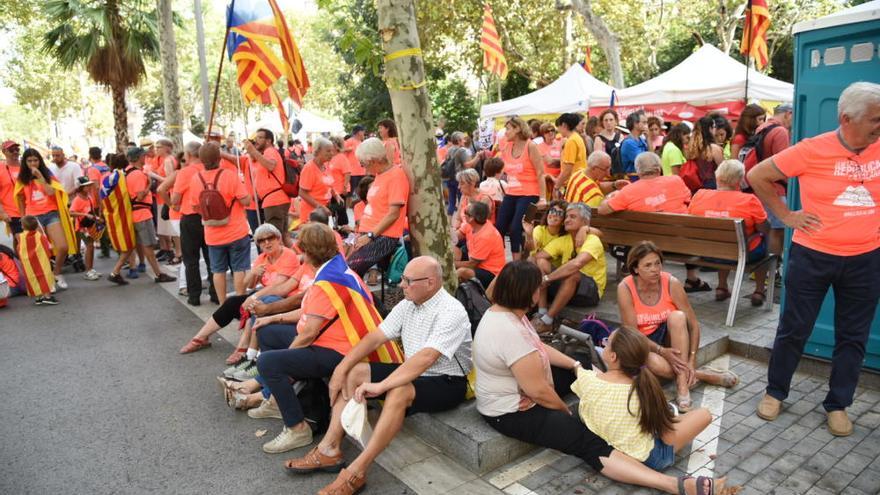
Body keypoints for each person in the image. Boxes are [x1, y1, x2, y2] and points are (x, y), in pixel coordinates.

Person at [474, 261, 736, 495]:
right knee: (586, 441)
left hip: (527, 386)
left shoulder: (508, 313)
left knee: (582, 359)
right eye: (538, 285)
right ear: (528, 293)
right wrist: (566, 413)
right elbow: (539, 392)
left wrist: (577, 365)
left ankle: (606, 394)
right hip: (513, 411)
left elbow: (539, 348)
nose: (540, 290)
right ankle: (672, 485)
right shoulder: (509, 332)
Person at [748, 82, 880, 437]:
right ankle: (775, 392)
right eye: (875, 119)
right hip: (813, 256)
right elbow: (757, 175)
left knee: (853, 337)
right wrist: (787, 216)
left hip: (866, 259)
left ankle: (838, 404)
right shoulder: (811, 150)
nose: (879, 126)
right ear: (846, 118)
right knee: (794, 329)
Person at [285, 256, 471, 495]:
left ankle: (357, 471)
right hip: (413, 370)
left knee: (399, 390)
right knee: (355, 371)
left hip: (448, 381)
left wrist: (381, 385)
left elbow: (426, 358)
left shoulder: (452, 311)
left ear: (431, 283)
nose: (401, 285)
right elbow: (375, 337)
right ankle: (329, 449)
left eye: (408, 280)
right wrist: (341, 369)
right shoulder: (408, 303)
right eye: (403, 278)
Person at [254, 224, 379, 453]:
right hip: (339, 340)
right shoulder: (336, 268)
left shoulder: (326, 281)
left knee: (268, 362)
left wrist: (288, 359)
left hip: (340, 350)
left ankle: (297, 428)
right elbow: (311, 312)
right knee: (266, 331)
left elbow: (309, 332)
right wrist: (275, 318)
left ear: (307, 252)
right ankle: (278, 400)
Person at [572, 326, 714, 472]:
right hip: (652, 458)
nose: (604, 344)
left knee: (668, 420)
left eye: (607, 343)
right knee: (704, 414)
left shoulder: (587, 380)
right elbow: (668, 438)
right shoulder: (642, 391)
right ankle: (673, 414)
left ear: (613, 356)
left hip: (617, 454)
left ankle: (671, 416)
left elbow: (581, 369)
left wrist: (576, 364)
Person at [617, 242, 738, 411]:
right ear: (636, 269)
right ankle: (702, 375)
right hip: (643, 342)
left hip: (672, 340)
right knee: (655, 364)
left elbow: (694, 325)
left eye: (657, 263)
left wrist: (692, 359)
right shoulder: (625, 288)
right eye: (648, 265)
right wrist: (660, 350)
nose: (655, 269)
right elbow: (632, 333)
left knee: (678, 317)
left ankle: (682, 385)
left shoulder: (671, 283)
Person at [179, 223, 300, 356]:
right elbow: (249, 286)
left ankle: (244, 349)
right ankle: (201, 337)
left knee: (253, 307)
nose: (266, 243)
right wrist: (253, 273)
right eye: (261, 241)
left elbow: (278, 287)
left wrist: (253, 297)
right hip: (264, 296)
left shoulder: (288, 255)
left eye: (270, 238)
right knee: (231, 303)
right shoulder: (262, 258)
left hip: (282, 300)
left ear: (278, 239)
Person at [687, 160, 769, 305]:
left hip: (707, 253)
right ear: (740, 180)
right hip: (739, 254)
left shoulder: (700, 196)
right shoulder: (750, 200)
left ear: (717, 176)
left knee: (720, 240)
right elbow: (764, 229)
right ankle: (759, 290)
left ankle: (722, 286)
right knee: (763, 242)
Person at [190, 142, 250, 305]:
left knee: (218, 270)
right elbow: (246, 200)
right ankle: (239, 303)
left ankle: (223, 304)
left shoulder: (196, 179)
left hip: (212, 234)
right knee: (239, 269)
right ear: (219, 158)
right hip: (236, 230)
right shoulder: (229, 175)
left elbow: (195, 206)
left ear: (201, 160)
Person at [533, 203, 606, 332]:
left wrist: (547, 279)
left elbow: (577, 264)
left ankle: (547, 321)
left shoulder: (592, 240)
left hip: (590, 292)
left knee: (573, 273)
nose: (567, 220)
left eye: (572, 217)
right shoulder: (564, 240)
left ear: (585, 222)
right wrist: (530, 239)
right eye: (566, 216)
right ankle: (541, 311)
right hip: (567, 287)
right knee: (542, 262)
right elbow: (539, 256)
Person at [346, 138, 410, 276]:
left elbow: (394, 214)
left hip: (382, 237)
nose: (363, 168)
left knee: (349, 273)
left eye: (363, 164)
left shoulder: (395, 176)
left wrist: (370, 235)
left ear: (373, 160)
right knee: (347, 272)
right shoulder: (380, 175)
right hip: (370, 234)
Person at [14, 148, 74, 290]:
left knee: (62, 247)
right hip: (33, 217)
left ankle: (57, 273)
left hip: (51, 214)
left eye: (35, 160)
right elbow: (21, 199)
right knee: (41, 250)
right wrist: (23, 218)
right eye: (29, 161)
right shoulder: (22, 178)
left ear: (40, 161)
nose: (33, 163)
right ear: (25, 162)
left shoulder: (47, 174)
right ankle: (47, 281)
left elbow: (51, 192)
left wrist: (40, 177)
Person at [169, 142, 218, 305]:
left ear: (189, 155)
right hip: (208, 216)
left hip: (190, 217)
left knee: (191, 259)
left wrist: (174, 204)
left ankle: (194, 295)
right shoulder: (210, 170)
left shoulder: (185, 172)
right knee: (211, 257)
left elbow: (175, 198)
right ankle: (216, 293)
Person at [495, 117, 547, 259]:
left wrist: (543, 198)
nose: (505, 132)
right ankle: (497, 261)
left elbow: (540, 173)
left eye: (508, 129)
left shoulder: (530, 146)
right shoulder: (507, 146)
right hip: (512, 192)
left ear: (518, 128)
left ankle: (516, 264)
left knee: (516, 228)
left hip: (529, 192)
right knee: (499, 227)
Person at [123, 147, 176, 284]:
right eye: (143, 156)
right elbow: (140, 196)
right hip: (142, 213)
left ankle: (117, 271)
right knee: (148, 246)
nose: (145, 158)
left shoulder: (129, 172)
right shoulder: (138, 174)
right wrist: (149, 184)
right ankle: (158, 274)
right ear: (139, 158)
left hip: (137, 213)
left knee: (140, 245)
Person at [750, 103, 793, 261]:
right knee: (778, 230)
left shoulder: (762, 128)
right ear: (788, 114)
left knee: (768, 229)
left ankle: (764, 268)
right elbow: (784, 164)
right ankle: (772, 271)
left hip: (760, 186)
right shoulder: (780, 131)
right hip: (776, 188)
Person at [240, 128, 290, 246]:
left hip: (274, 202)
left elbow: (271, 165)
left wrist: (253, 151)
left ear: (268, 141)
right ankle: (295, 260)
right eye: (256, 137)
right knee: (283, 237)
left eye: (260, 138)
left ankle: (285, 263)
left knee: (276, 239)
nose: (256, 140)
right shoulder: (268, 152)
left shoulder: (270, 151)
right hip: (275, 200)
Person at [598, 152, 691, 215]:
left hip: (644, 241)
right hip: (679, 239)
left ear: (638, 171)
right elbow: (688, 200)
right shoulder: (676, 181)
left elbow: (602, 210)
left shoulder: (628, 191)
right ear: (659, 169)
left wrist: (613, 195)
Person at [455, 201, 505, 287]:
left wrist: (450, 264)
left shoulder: (486, 236)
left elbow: (472, 264)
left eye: (466, 212)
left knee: (462, 272)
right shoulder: (470, 224)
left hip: (491, 272)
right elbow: (456, 236)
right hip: (475, 258)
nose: (463, 212)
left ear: (471, 218)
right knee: (454, 251)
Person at [15, 215, 59, 306]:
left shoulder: (21, 237)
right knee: (44, 277)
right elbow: (45, 247)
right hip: (41, 261)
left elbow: (19, 248)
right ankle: (47, 297)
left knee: (32, 278)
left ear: (23, 226)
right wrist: (49, 256)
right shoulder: (39, 236)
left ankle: (38, 297)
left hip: (28, 263)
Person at [68, 176, 103, 281]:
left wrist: (96, 218)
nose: (89, 187)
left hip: (89, 226)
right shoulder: (77, 199)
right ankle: (88, 271)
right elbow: (71, 212)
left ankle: (91, 269)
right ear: (80, 187)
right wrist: (84, 214)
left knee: (91, 247)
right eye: (86, 186)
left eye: (89, 185)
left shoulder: (89, 197)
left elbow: (91, 210)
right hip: (82, 227)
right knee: (90, 246)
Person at [565, 151, 629, 207]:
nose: (608, 174)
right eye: (605, 169)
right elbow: (599, 217)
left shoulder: (578, 173)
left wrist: (614, 185)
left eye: (609, 168)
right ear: (594, 168)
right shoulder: (594, 194)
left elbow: (598, 186)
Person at [298, 137, 336, 224]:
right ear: (318, 151)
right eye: (328, 151)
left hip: (323, 211)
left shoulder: (326, 165)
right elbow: (302, 193)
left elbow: (329, 183)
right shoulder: (309, 168)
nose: (332, 153)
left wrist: (336, 194)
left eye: (332, 151)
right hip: (311, 214)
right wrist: (321, 207)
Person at [684, 116, 724, 190]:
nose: (716, 129)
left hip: (695, 185)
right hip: (712, 185)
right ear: (710, 129)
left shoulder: (692, 147)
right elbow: (723, 169)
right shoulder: (713, 148)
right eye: (714, 127)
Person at [554, 113, 587, 197]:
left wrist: (557, 186)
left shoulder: (571, 141)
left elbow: (567, 169)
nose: (558, 130)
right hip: (579, 180)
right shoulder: (577, 138)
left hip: (573, 183)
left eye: (559, 127)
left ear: (564, 125)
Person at [442, 131, 471, 216]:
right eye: (462, 139)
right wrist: (477, 157)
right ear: (458, 140)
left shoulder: (449, 149)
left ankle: (450, 220)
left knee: (451, 200)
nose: (464, 141)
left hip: (449, 177)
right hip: (459, 178)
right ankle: (461, 220)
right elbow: (467, 164)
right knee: (461, 200)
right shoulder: (461, 150)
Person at [0, 140, 22, 240]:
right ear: (4, 151)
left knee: (25, 241)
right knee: (22, 241)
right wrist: (2, 212)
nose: (15, 152)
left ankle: (18, 256)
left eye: (17, 149)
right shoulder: (1, 168)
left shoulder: (25, 166)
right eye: (11, 150)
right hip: (12, 212)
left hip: (30, 209)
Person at [620, 111, 649, 177]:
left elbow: (651, 156)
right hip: (633, 178)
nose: (647, 125)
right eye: (644, 122)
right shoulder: (629, 143)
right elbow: (643, 162)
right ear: (635, 124)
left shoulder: (641, 140)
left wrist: (648, 138)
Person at [537, 123, 563, 187]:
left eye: (552, 130)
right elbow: (549, 162)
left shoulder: (560, 143)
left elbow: (564, 160)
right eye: (547, 131)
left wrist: (554, 160)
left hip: (561, 178)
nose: (550, 133)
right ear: (543, 134)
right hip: (548, 179)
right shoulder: (540, 146)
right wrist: (560, 160)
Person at [344, 125, 366, 195]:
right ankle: (349, 206)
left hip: (361, 171)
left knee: (361, 192)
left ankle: (358, 205)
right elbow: (340, 151)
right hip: (352, 172)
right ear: (359, 132)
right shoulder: (349, 141)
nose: (364, 133)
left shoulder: (361, 142)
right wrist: (348, 149)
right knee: (350, 194)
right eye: (363, 131)